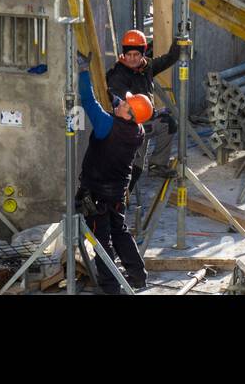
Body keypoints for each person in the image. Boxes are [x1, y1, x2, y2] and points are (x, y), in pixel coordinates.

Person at [76, 63, 152, 292]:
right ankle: (138, 276)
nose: (121, 103)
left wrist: (83, 72)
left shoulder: (106, 126)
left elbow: (89, 101)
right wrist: (114, 97)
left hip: (97, 193)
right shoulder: (137, 130)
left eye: (125, 104)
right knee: (119, 231)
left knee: (101, 240)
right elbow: (118, 107)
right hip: (117, 193)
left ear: (129, 114)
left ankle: (110, 287)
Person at [106, 29, 181, 188]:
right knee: (133, 171)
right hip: (132, 126)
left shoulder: (147, 67)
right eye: (129, 55)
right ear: (124, 54)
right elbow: (120, 106)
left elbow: (170, 58)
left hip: (148, 120)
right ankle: (121, 202)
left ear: (142, 54)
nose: (132, 59)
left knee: (169, 124)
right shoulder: (117, 74)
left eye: (136, 55)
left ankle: (157, 165)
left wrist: (179, 40)